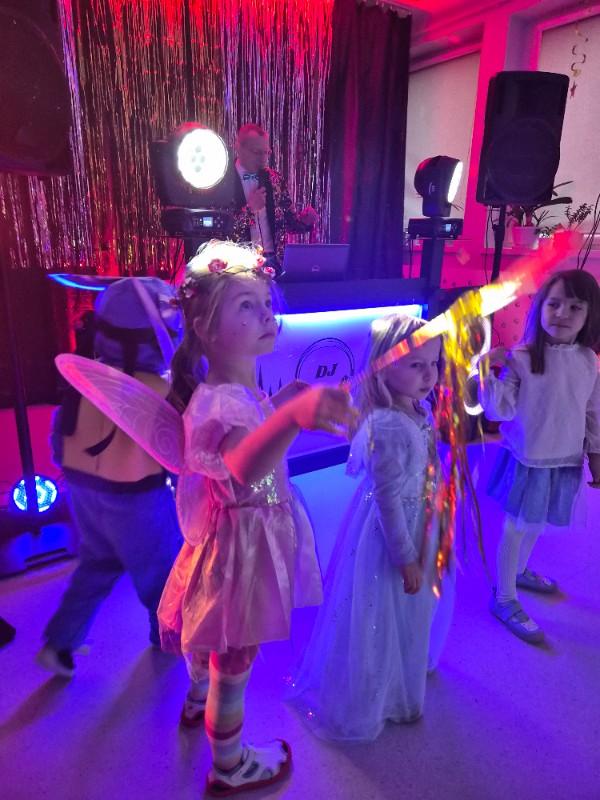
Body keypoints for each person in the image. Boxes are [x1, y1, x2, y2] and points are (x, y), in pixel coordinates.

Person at [157, 240, 354, 794]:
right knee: (235, 657)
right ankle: (229, 765)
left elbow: (243, 435)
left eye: (266, 302)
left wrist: (280, 404)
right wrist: (293, 417)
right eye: (247, 305)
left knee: (212, 628)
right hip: (243, 540)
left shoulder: (229, 390)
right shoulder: (222, 400)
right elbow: (244, 467)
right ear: (205, 327)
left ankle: (197, 698)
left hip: (231, 532)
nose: (266, 313)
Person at [288, 314, 453, 741]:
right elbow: (388, 500)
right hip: (393, 533)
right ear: (383, 367)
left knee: (411, 608)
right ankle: (382, 693)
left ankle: (403, 671)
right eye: (415, 365)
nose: (430, 375)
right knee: (384, 607)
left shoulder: (416, 408)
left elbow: (427, 469)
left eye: (434, 363)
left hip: (420, 519)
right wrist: (405, 556)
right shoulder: (389, 426)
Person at [37, 278, 184, 678]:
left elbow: (59, 441)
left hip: (82, 491)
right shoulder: (159, 390)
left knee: (97, 565)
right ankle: (168, 638)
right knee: (160, 574)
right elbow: (177, 456)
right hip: (137, 499)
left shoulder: (83, 380)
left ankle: (60, 643)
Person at [480, 269, 600, 644]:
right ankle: (504, 597)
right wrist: (487, 371)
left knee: (536, 522)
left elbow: (593, 411)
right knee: (516, 526)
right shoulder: (522, 357)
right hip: (528, 460)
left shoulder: (588, 361)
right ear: (540, 308)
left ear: (589, 315)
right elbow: (499, 410)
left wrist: (596, 454)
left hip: (563, 460)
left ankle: (518, 572)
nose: (562, 313)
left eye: (575, 307)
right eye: (554, 304)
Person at [230, 123, 318, 273]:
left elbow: (289, 224)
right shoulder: (223, 181)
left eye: (266, 152)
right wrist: (250, 209)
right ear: (238, 148)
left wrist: (305, 221)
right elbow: (221, 231)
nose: (263, 159)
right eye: (257, 152)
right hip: (238, 264)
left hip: (273, 261)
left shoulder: (275, 179)